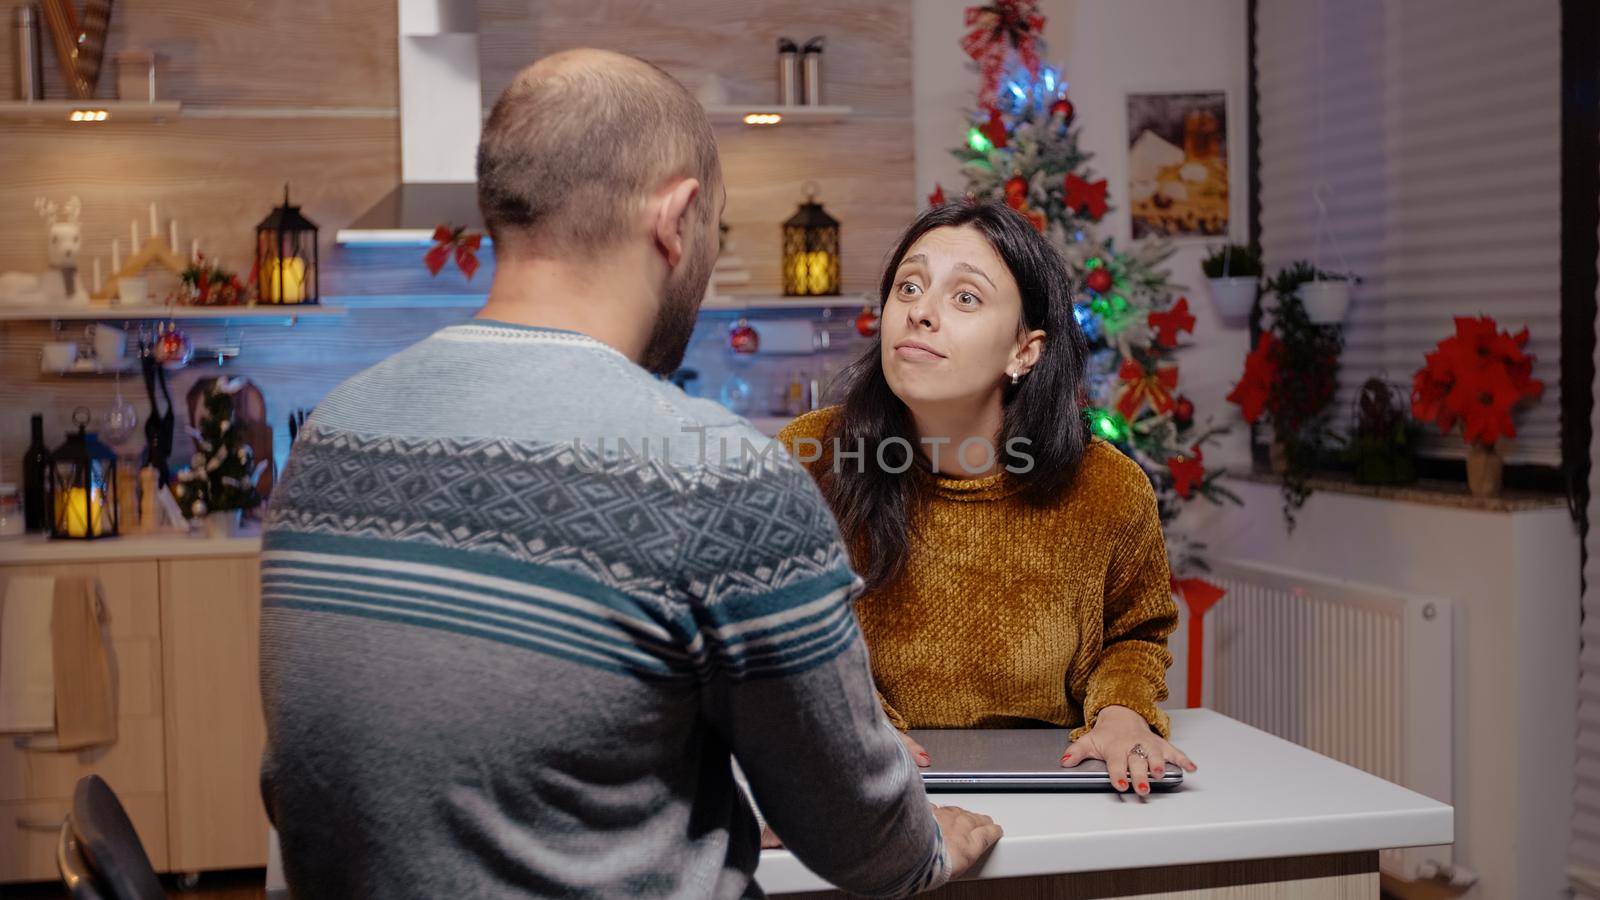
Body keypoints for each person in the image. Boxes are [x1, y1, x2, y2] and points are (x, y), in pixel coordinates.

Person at [259, 49, 999, 899]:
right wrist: (926, 841)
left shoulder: (329, 435)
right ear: (676, 219)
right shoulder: (717, 477)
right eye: (715, 224)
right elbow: (866, 843)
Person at [778, 200, 1197, 797]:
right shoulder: (812, 455)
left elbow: (1135, 634)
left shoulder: (1105, 486)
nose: (921, 312)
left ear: (1023, 351)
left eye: (965, 297)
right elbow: (779, 624)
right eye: (910, 286)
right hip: (864, 794)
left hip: (1057, 794)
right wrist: (850, 718)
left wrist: (1121, 714)